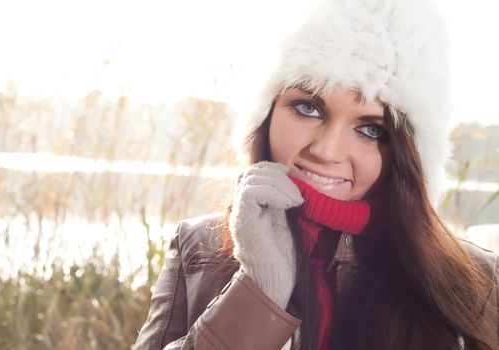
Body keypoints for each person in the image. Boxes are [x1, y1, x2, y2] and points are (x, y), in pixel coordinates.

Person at [134, 0, 499, 349]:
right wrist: (258, 293)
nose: (325, 151)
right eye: (307, 108)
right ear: (267, 113)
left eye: (372, 130)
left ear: (409, 157)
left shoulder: (481, 283)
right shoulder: (197, 248)